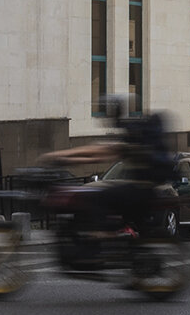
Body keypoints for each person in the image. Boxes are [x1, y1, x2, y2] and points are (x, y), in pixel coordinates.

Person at [43, 94, 175, 237]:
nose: (107, 118)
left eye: (109, 112)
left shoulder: (134, 135)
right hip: (144, 191)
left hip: (140, 191)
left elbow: (99, 152)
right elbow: (97, 154)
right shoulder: (135, 133)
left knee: (98, 197)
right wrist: (68, 158)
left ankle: (103, 238)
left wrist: (62, 156)